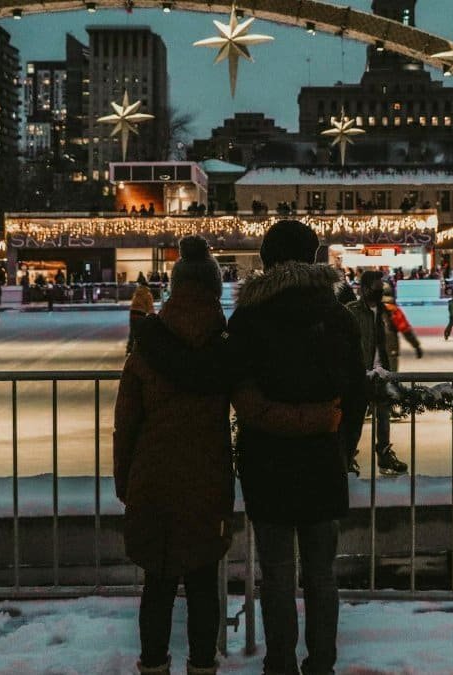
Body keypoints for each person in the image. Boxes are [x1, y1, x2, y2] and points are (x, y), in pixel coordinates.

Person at [116, 236, 340, 675]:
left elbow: (127, 424)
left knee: (158, 583)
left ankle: (154, 665)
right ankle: (203, 665)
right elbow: (256, 409)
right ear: (216, 290)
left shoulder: (146, 348)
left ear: (175, 288)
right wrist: (321, 418)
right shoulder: (225, 349)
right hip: (206, 479)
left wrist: (126, 482)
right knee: (202, 581)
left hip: (153, 478)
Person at [226, 220, 368, 675]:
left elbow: (235, 383)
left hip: (267, 459)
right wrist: (342, 445)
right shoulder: (337, 316)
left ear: (267, 260)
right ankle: (322, 662)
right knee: (321, 574)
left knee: (279, 575)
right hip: (323, 458)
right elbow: (357, 391)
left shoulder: (248, 317)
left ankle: (280, 662)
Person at [345, 271, 410, 477]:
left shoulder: (385, 311)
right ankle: (347, 457)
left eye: (381, 286)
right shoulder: (351, 311)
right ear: (364, 289)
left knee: (383, 417)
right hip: (360, 374)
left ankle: (384, 455)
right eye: (376, 286)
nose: (380, 290)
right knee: (354, 419)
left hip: (381, 373)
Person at [381, 285, 423, 371]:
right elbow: (405, 329)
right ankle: (392, 383)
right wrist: (416, 346)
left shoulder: (369, 307)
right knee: (391, 371)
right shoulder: (393, 309)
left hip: (372, 344)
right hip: (390, 343)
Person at [127, 279, 155, 355]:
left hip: (132, 313)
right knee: (141, 331)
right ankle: (139, 349)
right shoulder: (148, 294)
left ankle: (129, 348)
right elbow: (150, 307)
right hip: (141, 314)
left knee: (132, 331)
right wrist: (153, 316)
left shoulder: (136, 293)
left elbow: (133, 302)